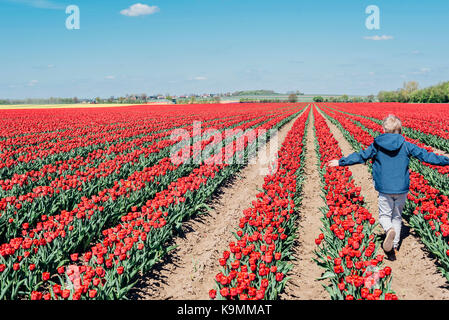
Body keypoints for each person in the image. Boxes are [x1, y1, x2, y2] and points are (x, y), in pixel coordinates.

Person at [328, 114, 449, 259]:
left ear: (383, 129)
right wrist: (446, 160)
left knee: (385, 216)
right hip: (402, 188)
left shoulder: (377, 145)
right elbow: (426, 156)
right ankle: (395, 246)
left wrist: (341, 162)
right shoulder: (406, 145)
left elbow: (361, 156)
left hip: (384, 188)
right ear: (400, 130)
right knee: (397, 216)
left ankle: (388, 230)